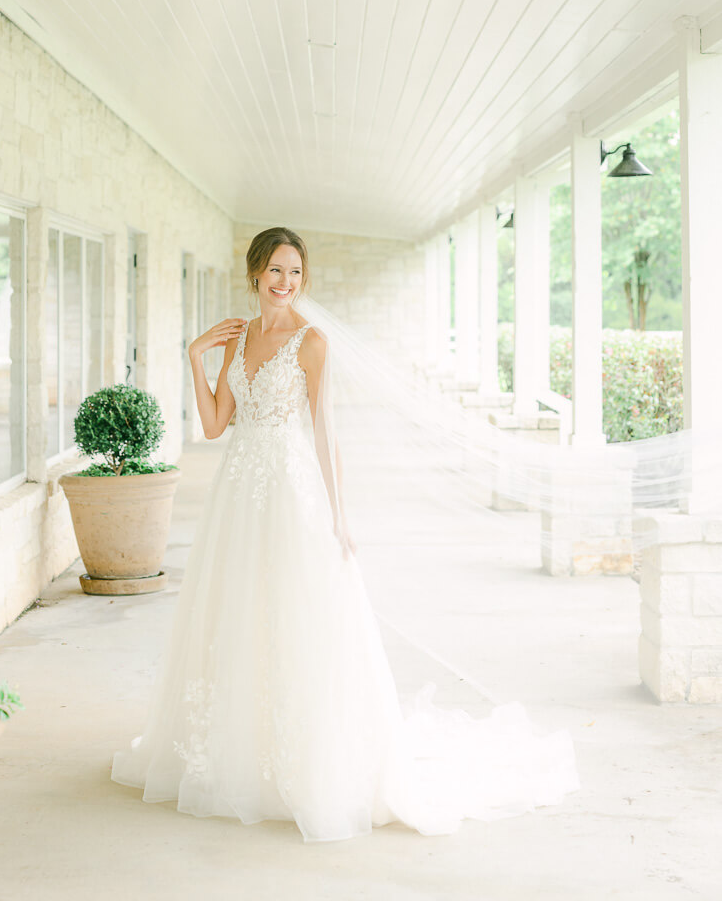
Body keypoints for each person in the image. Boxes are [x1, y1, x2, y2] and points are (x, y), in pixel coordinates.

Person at [111, 226, 581, 842]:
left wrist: (338, 516)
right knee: (236, 616)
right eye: (276, 271)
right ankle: (235, 749)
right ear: (255, 273)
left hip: (290, 492)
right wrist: (194, 355)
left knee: (296, 616)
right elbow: (213, 423)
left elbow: (326, 433)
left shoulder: (312, 343)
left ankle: (305, 757)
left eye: (296, 273)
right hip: (236, 499)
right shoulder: (239, 338)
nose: (286, 284)